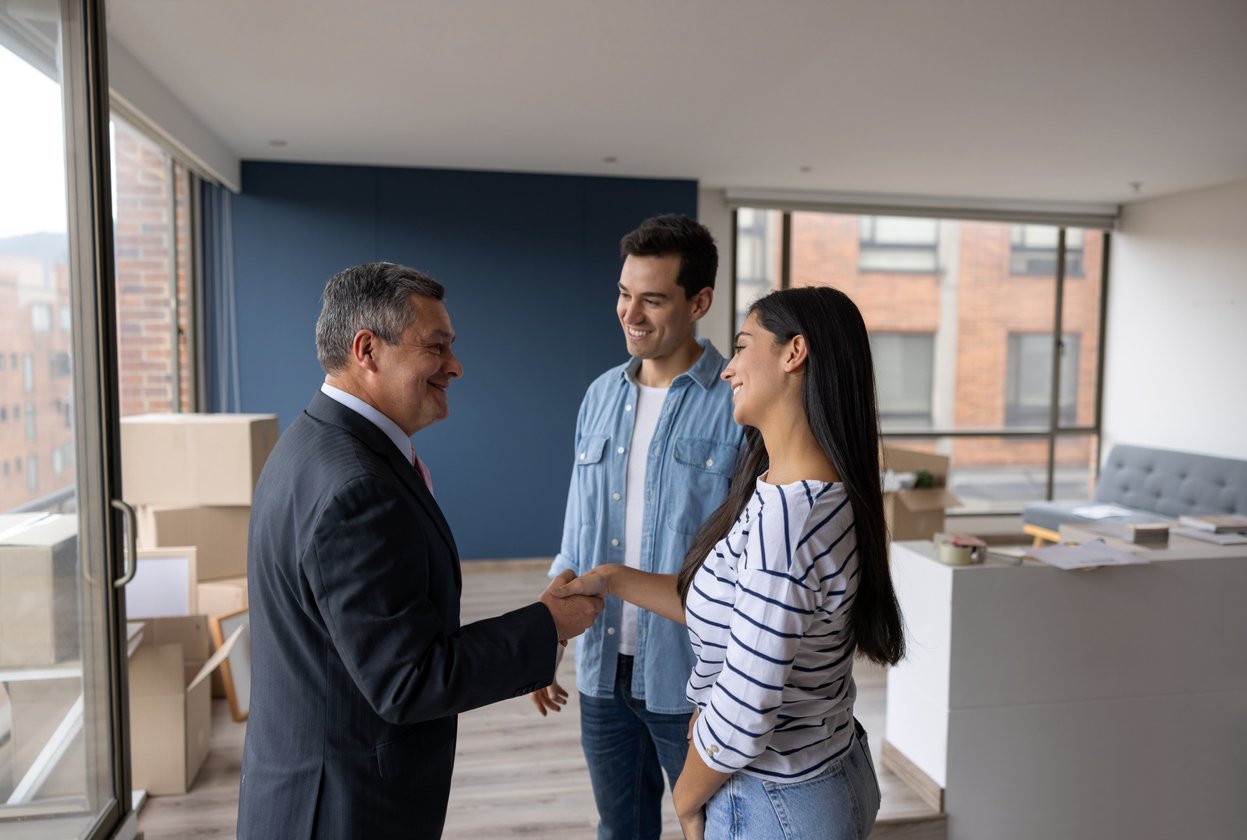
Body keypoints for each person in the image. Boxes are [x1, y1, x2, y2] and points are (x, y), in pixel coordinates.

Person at [236, 262, 603, 840]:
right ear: (367, 350)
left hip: (307, 786)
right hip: (344, 810)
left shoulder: (309, 442)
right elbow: (407, 680)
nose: (455, 366)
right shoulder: (358, 488)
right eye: (436, 347)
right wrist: (549, 624)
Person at [554, 286, 906, 840]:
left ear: (794, 353)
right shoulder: (799, 491)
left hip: (775, 801)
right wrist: (611, 578)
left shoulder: (788, 522)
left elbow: (742, 713)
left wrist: (686, 799)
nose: (728, 368)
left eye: (742, 347)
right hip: (824, 771)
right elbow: (742, 614)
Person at [532, 215, 744, 839]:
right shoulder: (599, 396)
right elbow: (576, 533)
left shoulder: (737, 403)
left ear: (699, 302)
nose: (631, 313)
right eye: (625, 294)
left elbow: (746, 558)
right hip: (602, 670)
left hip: (693, 677)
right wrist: (547, 633)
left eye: (652, 299)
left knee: (715, 830)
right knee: (618, 830)